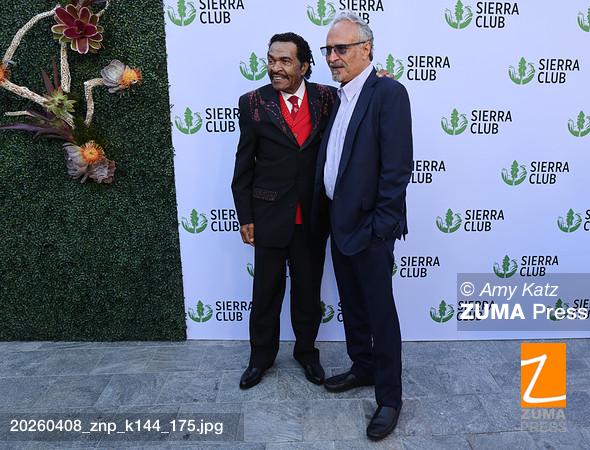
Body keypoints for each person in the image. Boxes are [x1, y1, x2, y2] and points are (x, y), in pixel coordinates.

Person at [312, 13, 413, 440]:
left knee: (380, 312)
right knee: (352, 303)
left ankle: (389, 398)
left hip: (371, 229)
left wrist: (381, 227)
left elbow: (397, 167)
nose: (332, 57)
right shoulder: (338, 97)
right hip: (339, 221)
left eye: (342, 49)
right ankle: (363, 367)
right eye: (328, 50)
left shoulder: (388, 92)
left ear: (366, 49)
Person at [231, 32, 337, 389]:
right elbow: (244, 164)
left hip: (313, 215)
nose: (275, 68)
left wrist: (382, 80)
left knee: (307, 292)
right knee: (265, 292)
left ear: (304, 66)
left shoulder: (328, 98)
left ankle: (306, 353)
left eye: (285, 61)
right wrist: (246, 216)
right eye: (271, 60)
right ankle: (260, 358)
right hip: (268, 215)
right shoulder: (252, 103)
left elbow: (361, 99)